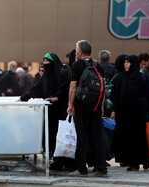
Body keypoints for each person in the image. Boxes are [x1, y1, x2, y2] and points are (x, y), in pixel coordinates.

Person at [20, 53, 69, 170]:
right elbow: (36, 89)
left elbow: (66, 89)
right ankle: (55, 160)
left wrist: (57, 97)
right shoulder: (45, 77)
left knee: (62, 136)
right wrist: (23, 98)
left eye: (48, 61)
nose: (46, 64)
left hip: (61, 111)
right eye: (44, 61)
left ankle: (64, 161)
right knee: (51, 135)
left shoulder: (63, 74)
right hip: (49, 112)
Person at [110, 55, 149, 171]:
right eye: (125, 62)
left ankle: (145, 160)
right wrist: (114, 109)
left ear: (134, 64)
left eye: (128, 62)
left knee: (140, 138)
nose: (125, 64)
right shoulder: (121, 77)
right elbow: (115, 95)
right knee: (128, 138)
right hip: (125, 115)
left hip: (140, 114)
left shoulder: (142, 77)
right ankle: (134, 163)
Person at [67, 40, 107, 176]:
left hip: (81, 105)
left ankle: (81, 168)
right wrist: (101, 106)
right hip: (95, 105)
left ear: (80, 52)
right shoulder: (98, 65)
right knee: (97, 136)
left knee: (81, 136)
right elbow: (103, 88)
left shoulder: (77, 65)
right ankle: (100, 168)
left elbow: (73, 86)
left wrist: (70, 104)